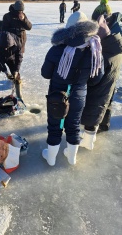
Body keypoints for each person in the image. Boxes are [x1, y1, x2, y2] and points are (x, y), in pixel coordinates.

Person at [41, 11, 104, 166]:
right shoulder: (94, 49)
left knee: (55, 125)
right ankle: (72, 157)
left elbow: (45, 73)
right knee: (73, 126)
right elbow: (97, 77)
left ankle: (51, 158)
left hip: (57, 95)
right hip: (78, 95)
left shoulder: (57, 49)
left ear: (68, 29)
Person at [80, 14, 122, 149]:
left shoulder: (103, 52)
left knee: (94, 111)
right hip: (110, 84)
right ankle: (104, 125)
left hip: (99, 88)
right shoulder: (115, 43)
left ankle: (88, 142)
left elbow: (93, 79)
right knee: (106, 104)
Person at [0, 0, 32, 100]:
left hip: (21, 41)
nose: (20, 12)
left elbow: (29, 27)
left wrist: (23, 20)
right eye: (19, 10)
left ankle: (16, 74)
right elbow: (4, 30)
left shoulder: (23, 15)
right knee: (12, 59)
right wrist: (11, 37)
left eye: (21, 10)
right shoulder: (7, 16)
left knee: (19, 58)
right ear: (15, 9)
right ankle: (12, 74)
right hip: (10, 42)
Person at [0, 31, 23, 103]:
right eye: (3, 47)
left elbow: (19, 57)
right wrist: (5, 71)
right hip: (0, 58)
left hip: (11, 58)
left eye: (7, 47)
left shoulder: (17, 41)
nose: (5, 49)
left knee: (17, 76)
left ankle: (19, 95)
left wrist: (16, 70)